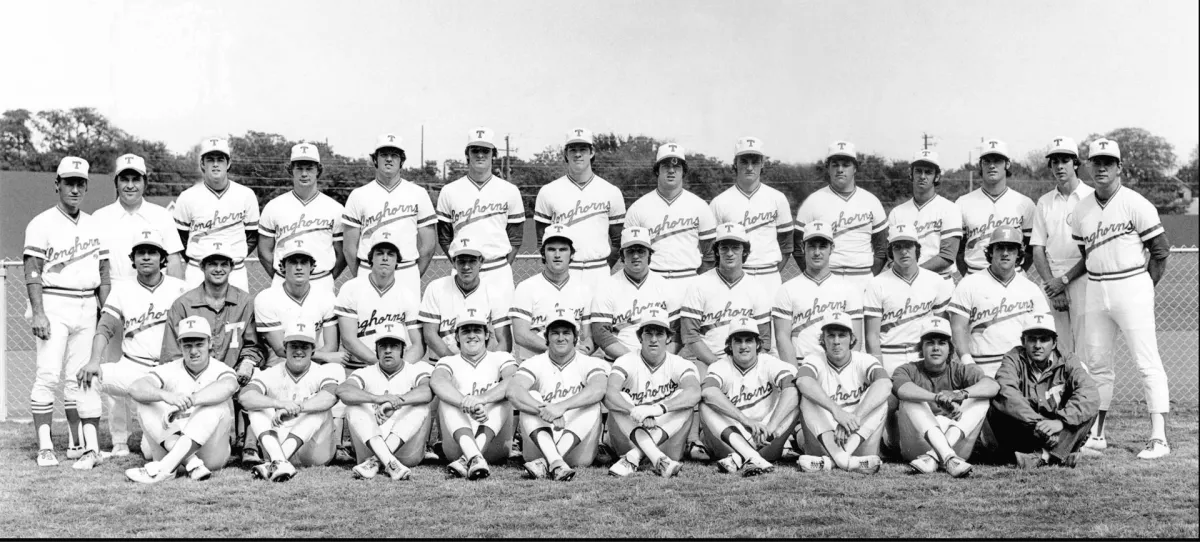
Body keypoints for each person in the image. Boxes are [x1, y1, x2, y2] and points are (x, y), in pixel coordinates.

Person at [1071, 138, 1172, 459]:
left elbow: (1161, 250)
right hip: (1096, 289)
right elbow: (1085, 253)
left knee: (1147, 364)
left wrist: (1145, 287)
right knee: (1097, 366)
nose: (1101, 168)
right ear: (1087, 166)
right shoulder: (1082, 208)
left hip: (1131, 286)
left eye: (1108, 163)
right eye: (1096, 162)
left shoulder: (1136, 203)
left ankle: (1159, 438)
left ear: (1119, 168)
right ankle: (1097, 434)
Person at [24, 156, 112, 467]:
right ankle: (45, 446)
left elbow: (103, 271)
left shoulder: (94, 224)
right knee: (47, 374)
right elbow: (32, 269)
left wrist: (105, 310)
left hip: (88, 304)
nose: (74, 189)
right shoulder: (41, 222)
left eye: (80, 184)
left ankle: (78, 444)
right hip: (54, 302)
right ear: (57, 184)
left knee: (80, 378)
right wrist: (38, 313)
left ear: (86, 186)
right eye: (69, 183)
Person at [76, 230, 188, 461]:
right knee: (90, 377)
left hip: (168, 372)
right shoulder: (123, 289)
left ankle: (164, 440)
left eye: (152, 252)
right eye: (141, 253)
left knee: (150, 452)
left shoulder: (180, 288)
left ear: (162, 258)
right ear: (133, 259)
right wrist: (94, 360)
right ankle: (94, 448)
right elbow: (105, 326)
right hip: (132, 367)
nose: (146, 257)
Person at [159, 243, 265, 463]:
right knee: (153, 449)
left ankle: (249, 444)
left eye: (223, 264)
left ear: (232, 267)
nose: (218, 269)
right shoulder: (183, 304)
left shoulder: (245, 301)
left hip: (233, 374)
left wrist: (247, 361)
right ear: (202, 267)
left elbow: (254, 345)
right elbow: (171, 354)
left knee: (258, 381)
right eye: (212, 264)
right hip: (194, 377)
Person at [124, 317, 240, 483]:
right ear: (180, 346)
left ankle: (164, 469)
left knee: (217, 404)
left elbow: (229, 386)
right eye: (187, 345)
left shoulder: (220, 369)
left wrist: (191, 400)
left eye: (199, 344)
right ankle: (191, 464)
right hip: (170, 446)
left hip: (211, 454)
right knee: (145, 403)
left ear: (210, 343)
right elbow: (135, 388)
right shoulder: (171, 368)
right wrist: (166, 396)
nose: (193, 351)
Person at [988, 314, 1099, 468]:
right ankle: (1062, 454)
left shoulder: (1068, 360)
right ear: (1023, 342)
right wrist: (1039, 424)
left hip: (1059, 429)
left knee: (1089, 409)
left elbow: (1089, 393)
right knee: (997, 405)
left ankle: (1043, 456)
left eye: (1044, 339)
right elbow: (1007, 392)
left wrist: (1061, 422)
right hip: (1027, 429)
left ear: (1054, 343)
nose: (1038, 345)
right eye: (1032, 339)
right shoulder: (1013, 359)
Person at [892, 317, 998, 477]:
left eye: (941, 343)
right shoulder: (908, 369)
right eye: (930, 343)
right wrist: (937, 398)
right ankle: (947, 457)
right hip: (917, 445)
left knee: (981, 398)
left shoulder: (961, 370)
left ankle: (935, 457)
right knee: (911, 398)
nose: (936, 348)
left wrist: (958, 394)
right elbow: (901, 388)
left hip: (956, 443)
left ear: (950, 348)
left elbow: (992, 385)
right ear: (921, 348)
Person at [506, 315, 608, 481]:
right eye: (555, 333)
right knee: (531, 396)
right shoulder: (534, 362)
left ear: (576, 337)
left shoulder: (590, 362)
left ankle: (549, 463)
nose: (561, 338)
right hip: (540, 443)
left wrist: (561, 407)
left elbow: (599, 388)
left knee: (591, 402)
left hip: (578, 450)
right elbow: (513, 391)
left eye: (566, 332)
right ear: (546, 337)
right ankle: (555, 461)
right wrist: (542, 409)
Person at [435, 127, 524, 315]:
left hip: (498, 270)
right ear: (467, 154)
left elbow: (515, 238)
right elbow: (444, 236)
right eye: (475, 150)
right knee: (462, 326)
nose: (480, 155)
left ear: (493, 154)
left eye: (486, 150)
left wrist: (500, 263)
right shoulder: (450, 191)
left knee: (502, 330)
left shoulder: (509, 190)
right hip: (464, 269)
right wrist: (460, 263)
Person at [239, 322, 343, 481]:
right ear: (285, 348)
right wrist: (279, 404)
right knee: (257, 407)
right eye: (294, 345)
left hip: (315, 451)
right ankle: (279, 460)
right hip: (278, 441)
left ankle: (277, 461)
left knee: (319, 408)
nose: (299, 351)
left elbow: (330, 397)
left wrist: (296, 409)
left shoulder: (323, 371)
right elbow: (245, 397)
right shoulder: (271, 373)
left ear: (313, 350)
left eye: (305, 346)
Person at [603, 308, 701, 478]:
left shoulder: (680, 363)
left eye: (660, 333)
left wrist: (656, 410)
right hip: (629, 435)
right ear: (640, 337)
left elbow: (694, 392)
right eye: (648, 333)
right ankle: (656, 459)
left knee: (683, 399)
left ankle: (634, 457)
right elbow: (610, 393)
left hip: (665, 437)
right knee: (620, 398)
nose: (654, 339)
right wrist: (636, 412)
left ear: (669, 337)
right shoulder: (625, 361)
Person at [699, 317, 799, 477]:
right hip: (731, 441)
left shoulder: (769, 362)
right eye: (738, 341)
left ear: (758, 344)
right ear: (729, 345)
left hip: (767, 439)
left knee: (797, 397)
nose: (744, 346)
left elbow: (792, 389)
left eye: (749, 340)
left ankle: (741, 457)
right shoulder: (720, 366)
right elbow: (708, 392)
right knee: (704, 404)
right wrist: (746, 421)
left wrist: (770, 427)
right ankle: (750, 456)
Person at [794, 312, 890, 474]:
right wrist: (837, 411)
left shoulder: (864, 360)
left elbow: (885, 384)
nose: (836, 341)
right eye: (831, 335)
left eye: (842, 335)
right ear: (823, 339)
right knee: (806, 397)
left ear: (852, 339)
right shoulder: (814, 359)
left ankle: (833, 461)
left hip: (858, 440)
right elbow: (803, 381)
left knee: (880, 398)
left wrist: (853, 419)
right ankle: (845, 461)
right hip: (825, 439)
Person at [948, 226, 1049, 378]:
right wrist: (967, 362)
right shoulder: (969, 284)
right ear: (990, 252)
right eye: (1000, 248)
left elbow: (1045, 329)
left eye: (1011, 248)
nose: (1005, 253)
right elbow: (957, 328)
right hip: (982, 367)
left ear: (1018, 254)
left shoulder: (1030, 288)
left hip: (1022, 367)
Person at [533, 128, 626, 291]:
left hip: (599, 271)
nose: (577, 154)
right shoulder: (548, 191)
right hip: (563, 273)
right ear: (565, 154)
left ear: (592, 152)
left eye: (583, 149)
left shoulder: (611, 191)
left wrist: (602, 268)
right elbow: (542, 241)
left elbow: (618, 242)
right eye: (572, 150)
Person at [339, 323, 435, 480]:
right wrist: (377, 399)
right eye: (383, 346)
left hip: (407, 453)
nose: (388, 350)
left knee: (421, 407)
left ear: (403, 349)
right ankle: (389, 462)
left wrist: (395, 402)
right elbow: (343, 391)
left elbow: (427, 392)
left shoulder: (414, 370)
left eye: (394, 345)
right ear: (376, 350)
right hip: (371, 445)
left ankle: (376, 462)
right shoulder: (365, 372)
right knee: (353, 408)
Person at [429, 311, 519, 480]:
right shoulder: (447, 361)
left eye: (477, 330)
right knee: (446, 399)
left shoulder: (501, 357)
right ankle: (473, 455)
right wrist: (465, 402)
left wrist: (482, 399)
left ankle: (470, 457)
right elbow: (437, 382)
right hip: (457, 445)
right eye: (465, 331)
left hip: (495, 445)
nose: (471, 335)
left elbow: (515, 380)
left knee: (505, 395)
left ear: (486, 334)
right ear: (457, 336)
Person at [792, 141, 888, 295]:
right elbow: (798, 248)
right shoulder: (813, 202)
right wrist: (815, 276)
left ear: (855, 168)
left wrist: (870, 275)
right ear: (828, 168)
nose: (840, 169)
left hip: (862, 277)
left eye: (846, 165)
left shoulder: (871, 201)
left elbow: (882, 249)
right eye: (835, 165)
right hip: (826, 277)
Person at [342, 133, 436, 290]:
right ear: (375, 160)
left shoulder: (418, 193)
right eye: (384, 154)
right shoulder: (358, 195)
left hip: (406, 270)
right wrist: (361, 275)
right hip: (368, 270)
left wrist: (413, 275)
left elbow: (429, 245)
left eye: (394, 155)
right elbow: (349, 247)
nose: (389, 159)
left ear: (402, 161)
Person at [1030, 137, 1092, 362]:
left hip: (1083, 277)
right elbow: (1038, 249)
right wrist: (1052, 286)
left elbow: (1092, 251)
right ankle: (1059, 396)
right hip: (1052, 280)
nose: (1059, 166)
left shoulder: (1091, 197)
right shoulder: (1044, 202)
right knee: (1057, 348)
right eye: (1054, 161)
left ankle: (1084, 396)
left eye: (1065, 160)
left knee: (1086, 346)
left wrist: (1063, 281)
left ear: (1075, 163)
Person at [863, 223, 953, 375]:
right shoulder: (876, 283)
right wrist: (878, 370)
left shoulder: (936, 281)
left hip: (923, 354)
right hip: (890, 353)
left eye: (908, 246)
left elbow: (943, 327)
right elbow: (872, 335)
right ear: (890, 251)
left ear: (917, 249)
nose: (903, 252)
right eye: (897, 247)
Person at [258, 142, 346, 294]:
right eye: (299, 168)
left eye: (309, 168)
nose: (304, 174)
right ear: (291, 170)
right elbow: (264, 251)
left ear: (318, 170)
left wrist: (328, 278)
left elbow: (342, 253)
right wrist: (281, 277)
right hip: (283, 282)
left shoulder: (335, 208)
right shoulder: (274, 206)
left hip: (321, 282)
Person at [173, 136, 260, 290]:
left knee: (238, 313)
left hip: (235, 270)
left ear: (229, 163)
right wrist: (202, 260)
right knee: (195, 313)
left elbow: (252, 236)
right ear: (202, 163)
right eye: (210, 159)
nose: (215, 164)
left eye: (220, 159)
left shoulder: (246, 195)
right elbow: (181, 238)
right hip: (198, 269)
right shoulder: (187, 197)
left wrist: (232, 256)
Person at [625, 143, 718, 286]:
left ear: (683, 171)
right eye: (666, 166)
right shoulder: (638, 208)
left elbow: (710, 255)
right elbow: (627, 255)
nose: (671, 171)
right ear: (657, 170)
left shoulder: (700, 206)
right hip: (650, 281)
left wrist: (699, 283)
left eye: (677, 167)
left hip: (688, 279)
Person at [681, 223, 773, 367]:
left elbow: (765, 340)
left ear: (744, 251)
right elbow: (690, 335)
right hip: (708, 360)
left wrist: (747, 367)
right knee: (705, 389)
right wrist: (717, 365)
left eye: (735, 247)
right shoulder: (698, 284)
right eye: (724, 248)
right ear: (717, 251)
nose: (729, 253)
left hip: (747, 362)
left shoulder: (757, 288)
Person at [709, 137, 794, 292]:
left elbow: (787, 245)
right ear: (735, 163)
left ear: (762, 164)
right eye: (744, 161)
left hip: (769, 274)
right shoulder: (719, 202)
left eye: (754, 162)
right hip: (734, 277)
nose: (749, 167)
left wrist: (771, 272)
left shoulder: (777, 198)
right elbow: (710, 248)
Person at [773, 221, 864, 364]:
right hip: (801, 364)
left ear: (831, 248)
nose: (817, 252)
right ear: (803, 248)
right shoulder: (787, 289)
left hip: (837, 366)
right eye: (811, 246)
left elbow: (856, 339)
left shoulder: (849, 289)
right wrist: (795, 374)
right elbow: (782, 337)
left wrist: (846, 371)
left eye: (822, 246)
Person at [590, 227, 684, 360]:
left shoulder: (667, 287)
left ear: (649, 255)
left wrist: (661, 360)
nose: (635, 256)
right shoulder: (607, 287)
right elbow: (601, 334)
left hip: (660, 362)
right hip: (618, 361)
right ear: (622, 255)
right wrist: (634, 361)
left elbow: (677, 333)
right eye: (630, 251)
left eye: (641, 251)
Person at [335, 230, 425, 369]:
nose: (385, 258)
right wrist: (380, 365)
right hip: (357, 367)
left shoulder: (408, 295)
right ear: (371, 258)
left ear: (397, 260)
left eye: (390, 254)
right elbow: (348, 339)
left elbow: (418, 345)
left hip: (397, 369)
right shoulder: (351, 288)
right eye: (379, 253)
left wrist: (401, 367)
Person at [94, 153, 185, 282]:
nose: (130, 186)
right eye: (124, 179)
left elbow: (174, 262)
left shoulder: (162, 215)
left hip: (154, 292)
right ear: (116, 183)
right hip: (113, 292)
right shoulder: (99, 218)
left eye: (136, 179)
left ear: (145, 183)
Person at [510, 224, 594, 361]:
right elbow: (520, 334)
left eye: (563, 249)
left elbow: (590, 337)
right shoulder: (526, 287)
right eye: (551, 249)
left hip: (574, 363)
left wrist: (585, 350)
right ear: (543, 253)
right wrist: (560, 351)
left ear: (572, 254)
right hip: (535, 363)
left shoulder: (584, 289)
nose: (557, 255)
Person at [420, 237, 512, 357]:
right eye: (461, 261)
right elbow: (429, 334)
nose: (466, 267)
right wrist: (456, 364)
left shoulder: (494, 293)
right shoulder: (436, 288)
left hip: (483, 366)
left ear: (481, 262)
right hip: (442, 363)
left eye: (472, 261)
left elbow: (505, 341)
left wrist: (487, 365)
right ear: (453, 262)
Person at [254, 242, 342, 366]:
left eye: (304, 262)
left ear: (312, 267)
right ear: (282, 267)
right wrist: (325, 356)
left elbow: (331, 346)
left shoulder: (327, 296)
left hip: (315, 367)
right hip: (278, 367)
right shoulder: (265, 298)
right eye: (293, 262)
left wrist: (320, 359)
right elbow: (280, 349)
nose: (299, 267)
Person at [955, 139, 1035, 276]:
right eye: (987, 161)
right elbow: (958, 251)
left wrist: (1013, 271)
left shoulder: (1025, 203)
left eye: (997, 161)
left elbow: (1030, 249)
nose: (992, 166)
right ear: (980, 165)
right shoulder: (962, 203)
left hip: (1013, 277)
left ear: (1007, 164)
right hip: (976, 274)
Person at [886, 149, 961, 281]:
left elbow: (947, 256)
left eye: (928, 172)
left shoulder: (950, 208)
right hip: (904, 280)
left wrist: (913, 272)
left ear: (936, 177)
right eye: (918, 171)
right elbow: (891, 254)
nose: (922, 176)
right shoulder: (897, 212)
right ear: (911, 174)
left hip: (939, 279)